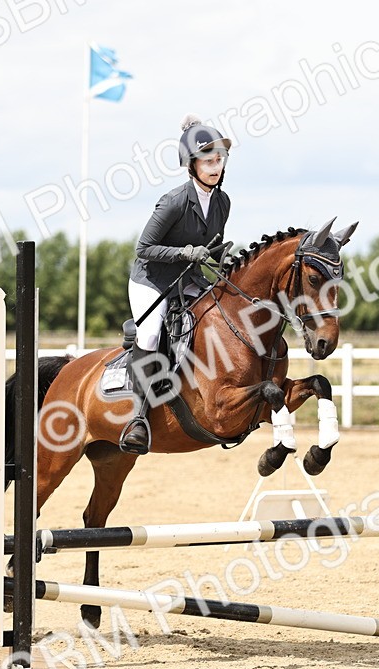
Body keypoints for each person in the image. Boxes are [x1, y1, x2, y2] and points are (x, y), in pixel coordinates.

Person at [119, 114, 232, 454]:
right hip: (151, 280)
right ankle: (137, 417)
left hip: (189, 280)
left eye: (218, 160)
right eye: (207, 161)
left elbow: (210, 249)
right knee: (152, 333)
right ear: (191, 165)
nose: (214, 166)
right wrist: (186, 252)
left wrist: (221, 260)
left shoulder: (222, 203)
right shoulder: (173, 201)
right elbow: (143, 248)